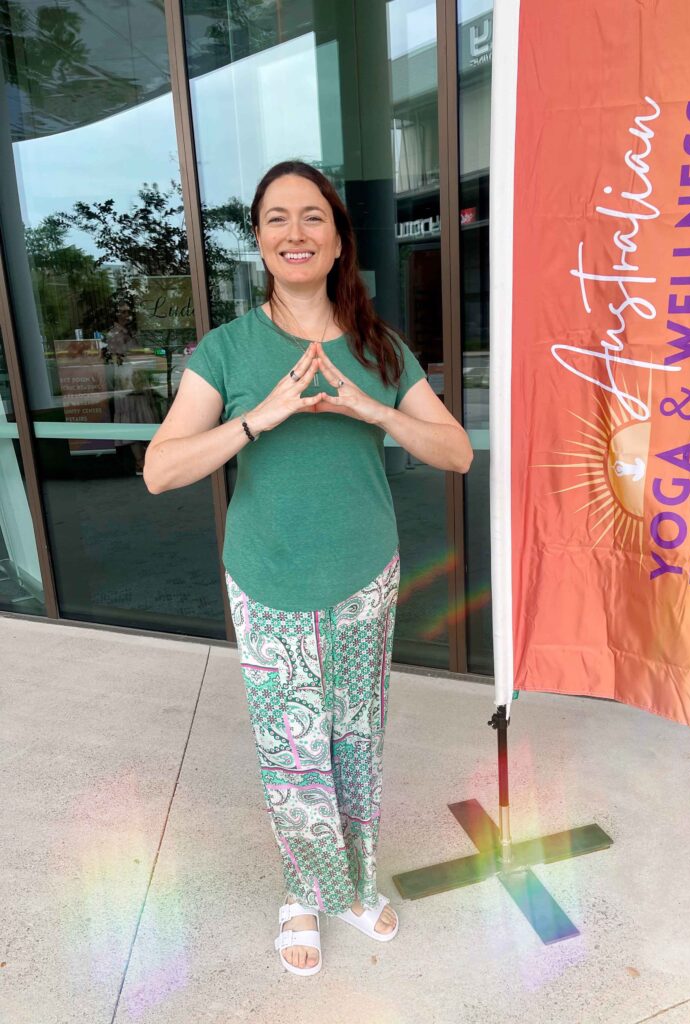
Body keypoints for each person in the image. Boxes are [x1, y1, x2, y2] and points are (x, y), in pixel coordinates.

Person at [143, 160, 473, 977]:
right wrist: (261, 418)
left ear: (336, 242)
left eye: (313, 218)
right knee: (293, 750)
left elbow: (457, 452)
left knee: (355, 739)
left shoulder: (379, 348)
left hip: (366, 576)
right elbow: (160, 469)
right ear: (260, 240)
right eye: (277, 219)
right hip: (268, 579)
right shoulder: (228, 351)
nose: (296, 233)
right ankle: (303, 891)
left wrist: (369, 405)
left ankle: (354, 885)